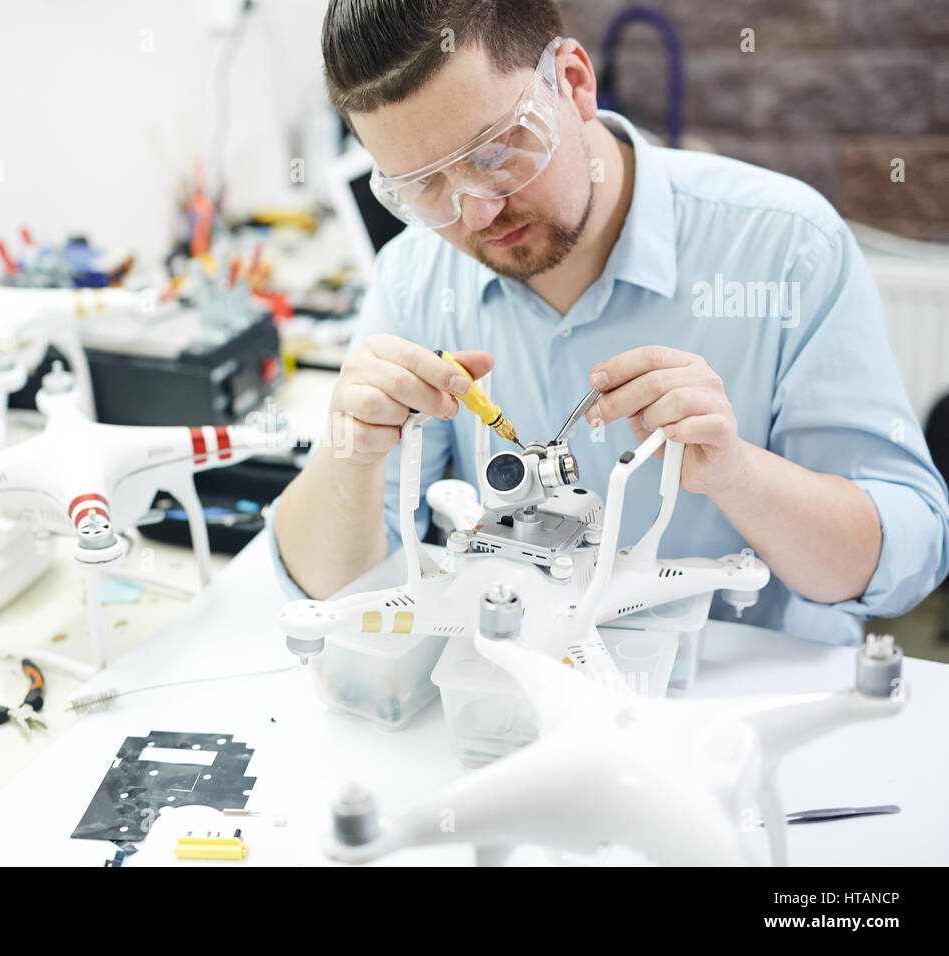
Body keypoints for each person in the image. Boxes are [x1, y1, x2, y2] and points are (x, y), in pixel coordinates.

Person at [270, 0, 949, 644]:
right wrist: (347, 453)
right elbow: (334, 593)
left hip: (745, 716)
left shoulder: (787, 248)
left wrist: (740, 476)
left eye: (494, 152)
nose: (474, 212)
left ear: (573, 80)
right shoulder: (415, 277)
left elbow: (905, 564)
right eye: (422, 186)